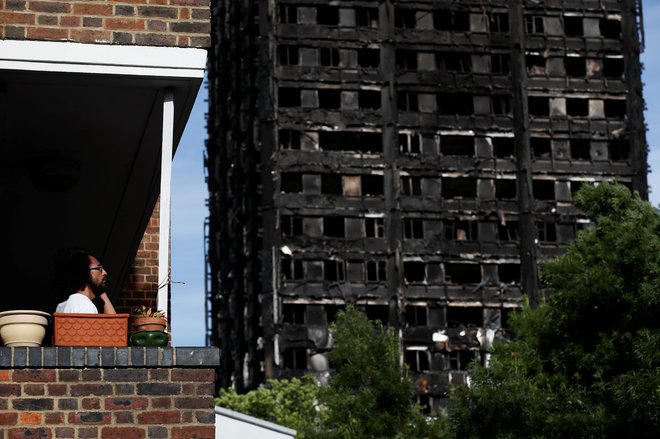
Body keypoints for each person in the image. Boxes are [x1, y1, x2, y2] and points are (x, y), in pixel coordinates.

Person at [53, 247, 116, 314]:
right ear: (85, 272)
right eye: (99, 268)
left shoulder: (61, 306)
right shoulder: (85, 306)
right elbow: (115, 324)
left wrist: (100, 288)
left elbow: (112, 322)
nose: (105, 272)